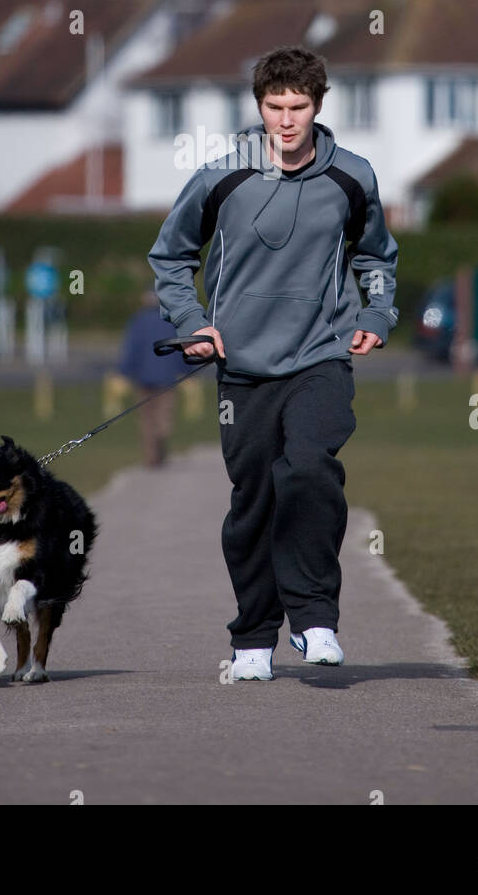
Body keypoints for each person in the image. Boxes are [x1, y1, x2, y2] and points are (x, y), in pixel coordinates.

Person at [147, 46, 398, 679]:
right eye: (274, 107)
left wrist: (374, 317)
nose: (286, 120)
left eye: (298, 107)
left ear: (318, 106)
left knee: (310, 471)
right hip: (242, 368)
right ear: (259, 107)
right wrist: (192, 323)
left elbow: (378, 259)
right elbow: (170, 258)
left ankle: (315, 620)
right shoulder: (220, 176)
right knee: (253, 499)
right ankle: (253, 639)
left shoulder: (354, 177)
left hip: (320, 358)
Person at [117, 290, 187, 469]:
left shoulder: (138, 320)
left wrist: (124, 372)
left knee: (146, 420)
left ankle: (151, 458)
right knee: (163, 417)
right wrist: (186, 370)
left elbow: (131, 349)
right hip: (166, 379)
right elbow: (179, 348)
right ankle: (159, 449)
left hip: (143, 378)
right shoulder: (170, 320)